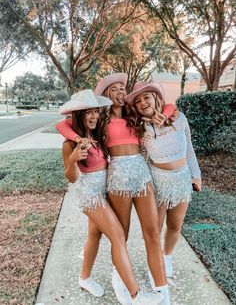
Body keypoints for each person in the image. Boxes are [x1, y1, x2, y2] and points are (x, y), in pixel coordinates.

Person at [56, 74, 175, 305]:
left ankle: (161, 292)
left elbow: (168, 105)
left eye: (123, 88)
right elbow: (62, 124)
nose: (121, 91)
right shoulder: (99, 122)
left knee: (137, 233)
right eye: (115, 89)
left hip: (139, 175)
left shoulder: (133, 114)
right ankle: (124, 285)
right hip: (112, 181)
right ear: (106, 96)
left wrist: (165, 116)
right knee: (120, 235)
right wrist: (75, 147)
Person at [125, 81, 202, 281]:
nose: (143, 102)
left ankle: (166, 257)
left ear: (156, 98)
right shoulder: (140, 128)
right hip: (157, 181)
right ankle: (156, 265)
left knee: (175, 225)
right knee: (154, 229)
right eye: (138, 101)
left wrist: (197, 175)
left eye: (146, 97)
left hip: (182, 179)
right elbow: (141, 156)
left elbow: (189, 149)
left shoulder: (179, 118)